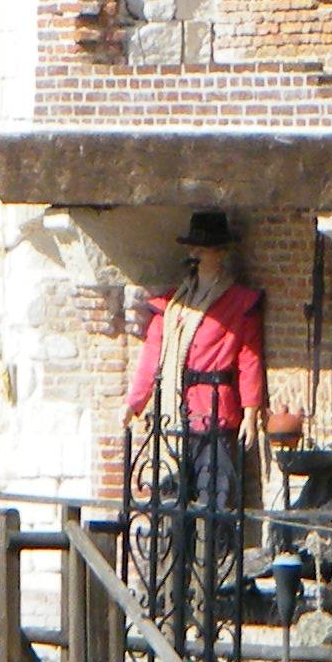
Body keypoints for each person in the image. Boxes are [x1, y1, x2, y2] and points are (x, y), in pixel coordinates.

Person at [126, 209, 267, 540]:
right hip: (175, 416)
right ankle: (174, 578)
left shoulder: (238, 303)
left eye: (201, 250)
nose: (194, 255)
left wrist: (250, 413)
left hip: (215, 415)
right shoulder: (173, 306)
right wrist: (134, 403)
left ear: (219, 253)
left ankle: (212, 575)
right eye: (193, 250)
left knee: (213, 500)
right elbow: (152, 356)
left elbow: (249, 358)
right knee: (171, 500)